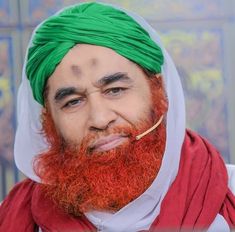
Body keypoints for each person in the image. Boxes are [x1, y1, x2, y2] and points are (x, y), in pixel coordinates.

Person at [0, 2, 235, 231]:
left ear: (157, 90)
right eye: (73, 102)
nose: (100, 119)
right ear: (48, 122)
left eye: (115, 90)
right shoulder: (13, 218)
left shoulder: (230, 194)